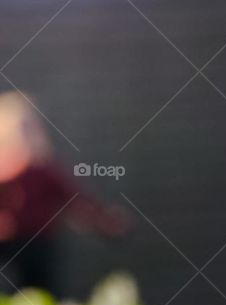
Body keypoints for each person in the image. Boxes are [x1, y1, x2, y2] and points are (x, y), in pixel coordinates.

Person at [0, 93, 129, 294]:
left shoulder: (44, 170)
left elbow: (75, 200)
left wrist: (104, 221)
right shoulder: (11, 170)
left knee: (39, 299)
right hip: (9, 248)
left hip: (39, 248)